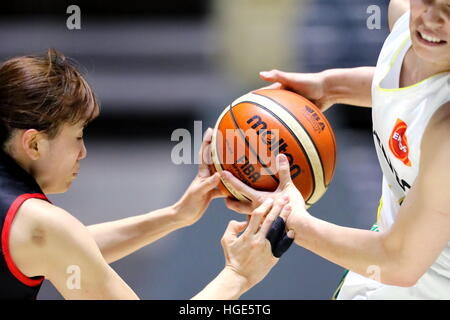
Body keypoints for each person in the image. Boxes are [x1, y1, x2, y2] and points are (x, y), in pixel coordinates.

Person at [0, 49, 292, 300]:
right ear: (34, 143)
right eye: (77, 136)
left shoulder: (36, 230)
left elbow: (70, 246)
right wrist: (238, 275)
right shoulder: (41, 226)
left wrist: (176, 215)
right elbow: (62, 241)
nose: (83, 152)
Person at [220, 0, 450, 299]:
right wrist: (330, 86)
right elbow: (405, 84)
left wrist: (290, 218)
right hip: (392, 265)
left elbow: (401, 262)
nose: (432, 17)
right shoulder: (407, 20)